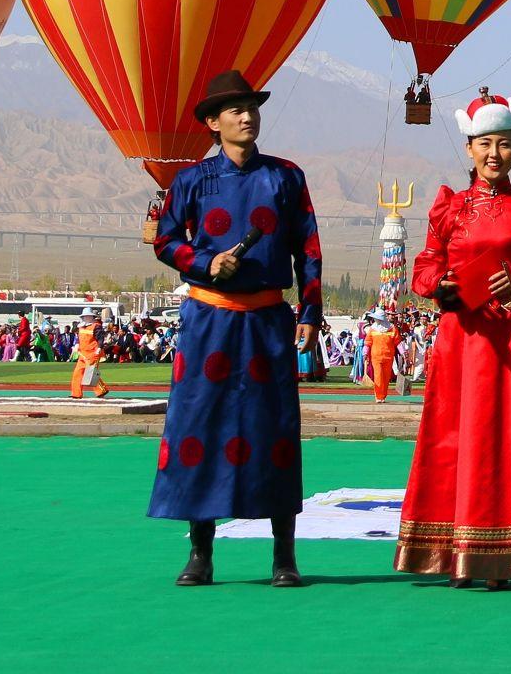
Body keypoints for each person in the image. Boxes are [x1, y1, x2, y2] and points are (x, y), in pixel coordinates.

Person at [148, 69, 323, 588]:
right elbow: (163, 241)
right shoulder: (190, 181)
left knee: (275, 432)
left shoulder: (286, 177)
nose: (248, 117)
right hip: (208, 322)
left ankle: (284, 557)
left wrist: (310, 313)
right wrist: (203, 262)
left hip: (269, 322)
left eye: (252, 107)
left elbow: (308, 251)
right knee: (199, 426)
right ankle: (201, 553)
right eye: (235, 110)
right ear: (212, 122)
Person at [394, 90, 511, 587]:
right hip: (460, 338)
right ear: (469, 148)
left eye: (505, 144)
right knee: (455, 435)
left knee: (505, 435)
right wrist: (440, 287)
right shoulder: (449, 207)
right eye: (485, 144)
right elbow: (426, 264)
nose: (495, 154)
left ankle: (503, 555)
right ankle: (451, 550)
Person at [70, 313, 112, 400]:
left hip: (93, 353)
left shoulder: (96, 326)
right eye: (85, 316)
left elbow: (100, 338)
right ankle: (76, 393)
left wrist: (99, 348)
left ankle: (101, 390)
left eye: (88, 316)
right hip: (83, 353)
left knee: (90, 373)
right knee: (77, 373)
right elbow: (79, 338)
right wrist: (77, 345)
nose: (86, 318)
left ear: (92, 317)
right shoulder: (81, 327)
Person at [364, 313, 400, 404]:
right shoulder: (372, 329)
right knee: (378, 376)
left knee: (386, 377)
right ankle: (378, 395)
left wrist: (404, 353)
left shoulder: (392, 328)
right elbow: (367, 342)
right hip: (376, 356)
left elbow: (398, 342)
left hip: (388, 356)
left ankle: (383, 395)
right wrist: (365, 353)